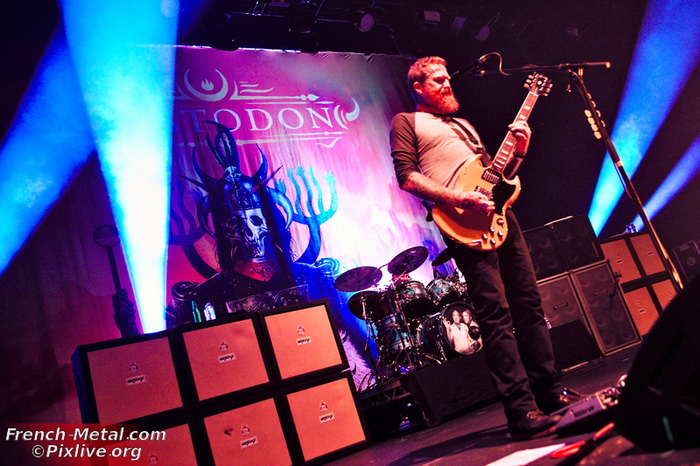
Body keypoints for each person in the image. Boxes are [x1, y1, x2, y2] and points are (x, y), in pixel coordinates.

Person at [390, 56, 575, 440]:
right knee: (496, 315)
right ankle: (521, 411)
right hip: (463, 223)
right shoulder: (407, 122)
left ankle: (550, 392)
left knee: (529, 305)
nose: (447, 84)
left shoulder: (464, 125)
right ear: (419, 88)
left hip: (501, 218)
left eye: (447, 79)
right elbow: (407, 177)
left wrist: (520, 151)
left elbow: (499, 178)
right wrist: (460, 198)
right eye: (437, 80)